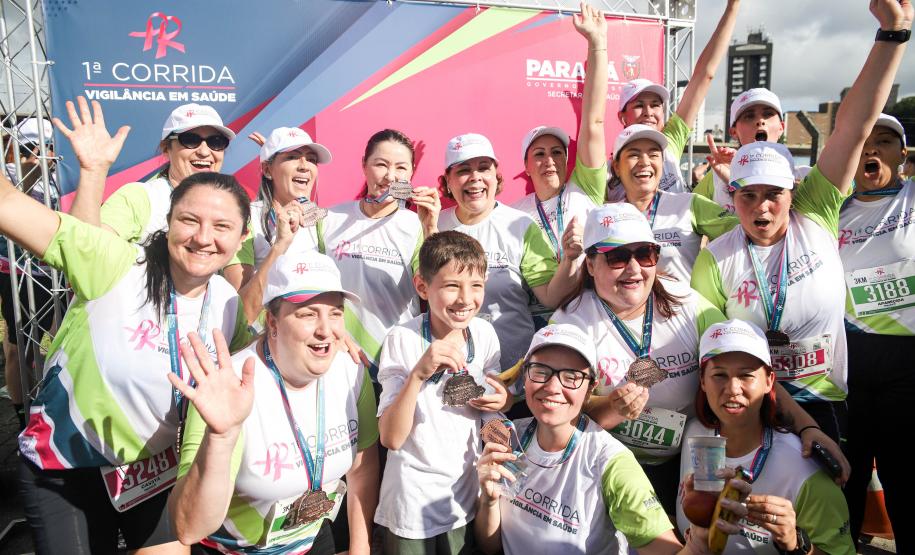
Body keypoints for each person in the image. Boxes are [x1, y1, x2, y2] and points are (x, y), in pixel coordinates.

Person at [5, 99, 251, 555]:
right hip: (65, 464)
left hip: (150, 470)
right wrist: (93, 170)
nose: (203, 237)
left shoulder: (228, 306)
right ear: (168, 222)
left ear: (241, 238)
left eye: (221, 227)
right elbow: (9, 205)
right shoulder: (120, 263)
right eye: (189, 221)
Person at [691, 0, 911, 444]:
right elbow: (719, 358)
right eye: (748, 196)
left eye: (774, 194)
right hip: (752, 411)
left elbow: (854, 125)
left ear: (795, 190)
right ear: (731, 196)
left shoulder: (817, 212)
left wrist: (893, 34)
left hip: (829, 401)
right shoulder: (715, 260)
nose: (763, 209)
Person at [168, 251, 379, 555]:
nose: (325, 329)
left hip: (313, 540)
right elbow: (188, 528)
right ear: (273, 322)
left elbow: (362, 470)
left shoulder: (351, 372)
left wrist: (361, 550)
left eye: (335, 313)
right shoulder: (230, 388)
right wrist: (221, 436)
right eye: (307, 314)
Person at [474, 323, 751, 555]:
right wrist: (488, 500)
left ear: (590, 388)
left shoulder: (610, 463)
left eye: (571, 376)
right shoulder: (511, 438)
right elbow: (492, 546)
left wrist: (701, 537)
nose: (553, 387)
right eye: (541, 372)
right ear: (525, 377)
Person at [549, 202, 727, 512]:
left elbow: (744, 369)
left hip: (686, 453)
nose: (634, 269)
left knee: (707, 441)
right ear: (590, 265)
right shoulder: (570, 322)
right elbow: (558, 416)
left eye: (644, 254)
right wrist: (612, 408)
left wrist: (806, 428)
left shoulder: (687, 303)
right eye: (617, 258)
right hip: (610, 459)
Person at [375, 230, 507, 553]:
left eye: (476, 286)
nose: (465, 299)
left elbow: (489, 409)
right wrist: (419, 374)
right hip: (410, 506)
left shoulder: (485, 335)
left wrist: (501, 403)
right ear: (422, 286)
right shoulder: (401, 339)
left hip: (462, 501)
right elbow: (390, 438)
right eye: (451, 286)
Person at [677, 319, 855, 554]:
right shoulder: (693, 435)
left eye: (746, 375)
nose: (732, 389)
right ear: (702, 381)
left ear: (769, 381)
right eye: (719, 375)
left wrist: (797, 543)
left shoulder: (806, 470)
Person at [437, 133, 581, 370]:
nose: (475, 178)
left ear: (496, 175)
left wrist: (570, 260)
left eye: (484, 168)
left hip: (513, 371)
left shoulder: (520, 225)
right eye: (463, 170)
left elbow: (550, 297)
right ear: (448, 182)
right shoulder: (435, 226)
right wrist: (429, 228)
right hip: (451, 370)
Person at [839, 114, 913, 552]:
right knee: (847, 477)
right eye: (864, 141)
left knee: (905, 477)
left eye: (884, 141)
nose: (871, 149)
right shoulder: (837, 208)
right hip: (851, 360)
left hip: (907, 362)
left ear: (902, 154)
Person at [315, 129, 440, 377]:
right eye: (380, 164)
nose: (390, 176)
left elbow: (436, 289)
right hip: (335, 354)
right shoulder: (329, 218)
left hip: (395, 360)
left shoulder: (415, 225)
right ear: (364, 166)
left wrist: (431, 229)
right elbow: (313, 288)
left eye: (401, 168)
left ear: (412, 172)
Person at [608, 0, 741, 200]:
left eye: (655, 105)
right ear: (622, 117)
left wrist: (733, 7)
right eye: (638, 105)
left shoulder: (670, 142)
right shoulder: (609, 170)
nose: (648, 112)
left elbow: (704, 76)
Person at [68, 101, 235, 245]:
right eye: (191, 140)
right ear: (165, 149)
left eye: (216, 142)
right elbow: (85, 250)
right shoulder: (140, 197)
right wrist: (92, 171)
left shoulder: (230, 205)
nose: (204, 152)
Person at [608, 124, 738, 282]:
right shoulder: (608, 216)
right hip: (628, 306)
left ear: (662, 163)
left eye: (653, 154)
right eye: (634, 155)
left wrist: (735, 181)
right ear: (617, 167)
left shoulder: (688, 204)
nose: (644, 162)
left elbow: (746, 234)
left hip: (683, 306)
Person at [1, 117, 60, 430]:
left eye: (51, 147)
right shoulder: (10, 174)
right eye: (35, 148)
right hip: (18, 271)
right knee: (17, 347)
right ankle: (22, 416)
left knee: (54, 341)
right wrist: (39, 163)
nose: (44, 153)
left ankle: (49, 404)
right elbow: (16, 195)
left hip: (58, 270)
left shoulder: (61, 176)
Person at [694, 88, 787, 213]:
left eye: (768, 114)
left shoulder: (797, 176)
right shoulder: (717, 175)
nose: (760, 121)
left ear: (781, 127)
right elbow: (690, 215)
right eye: (749, 116)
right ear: (733, 131)